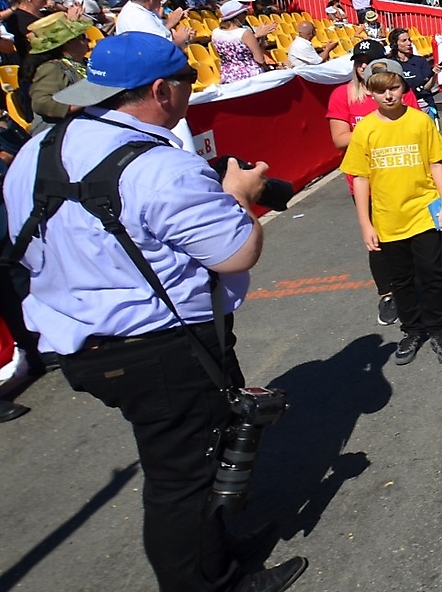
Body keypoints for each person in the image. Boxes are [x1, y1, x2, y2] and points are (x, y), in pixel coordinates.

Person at [2, 32, 307, 592]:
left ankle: (218, 553)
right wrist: (240, 194)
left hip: (82, 340)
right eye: (188, 82)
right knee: (183, 479)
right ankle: (208, 584)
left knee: (197, 458)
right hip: (162, 346)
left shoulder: (36, 151)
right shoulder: (161, 166)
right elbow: (237, 252)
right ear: (163, 90)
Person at [341, 61, 442, 365]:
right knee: (401, 279)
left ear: (403, 87)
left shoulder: (420, 121)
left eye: (394, 87)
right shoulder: (365, 129)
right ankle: (412, 329)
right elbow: (360, 178)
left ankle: (438, 329)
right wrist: (365, 223)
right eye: (381, 90)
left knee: (431, 274)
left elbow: (436, 163)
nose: (389, 95)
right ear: (370, 92)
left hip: (423, 210)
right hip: (387, 217)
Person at [327, 39, 422, 328]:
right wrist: (378, 130)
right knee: (378, 241)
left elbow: (415, 127)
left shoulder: (399, 91)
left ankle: (412, 287)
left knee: (413, 238)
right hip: (366, 181)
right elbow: (339, 138)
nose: (364, 66)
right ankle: (387, 293)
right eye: (359, 62)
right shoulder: (343, 95)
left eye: (369, 61)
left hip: (405, 175)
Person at [20, 13, 91, 132]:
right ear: (68, 43)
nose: (88, 40)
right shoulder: (52, 68)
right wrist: (84, 103)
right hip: (60, 132)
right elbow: (41, 103)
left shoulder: (84, 62)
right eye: (82, 37)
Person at [212, 0, 271, 83]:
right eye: (244, 13)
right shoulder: (245, 33)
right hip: (250, 76)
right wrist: (262, 36)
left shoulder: (215, 32)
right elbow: (260, 59)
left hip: (228, 76)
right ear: (238, 16)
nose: (245, 16)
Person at [387, 27, 437, 117]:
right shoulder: (390, 64)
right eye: (404, 41)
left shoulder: (420, 61)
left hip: (423, 105)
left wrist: (434, 74)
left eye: (409, 40)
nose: (409, 43)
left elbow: (427, 87)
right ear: (395, 44)